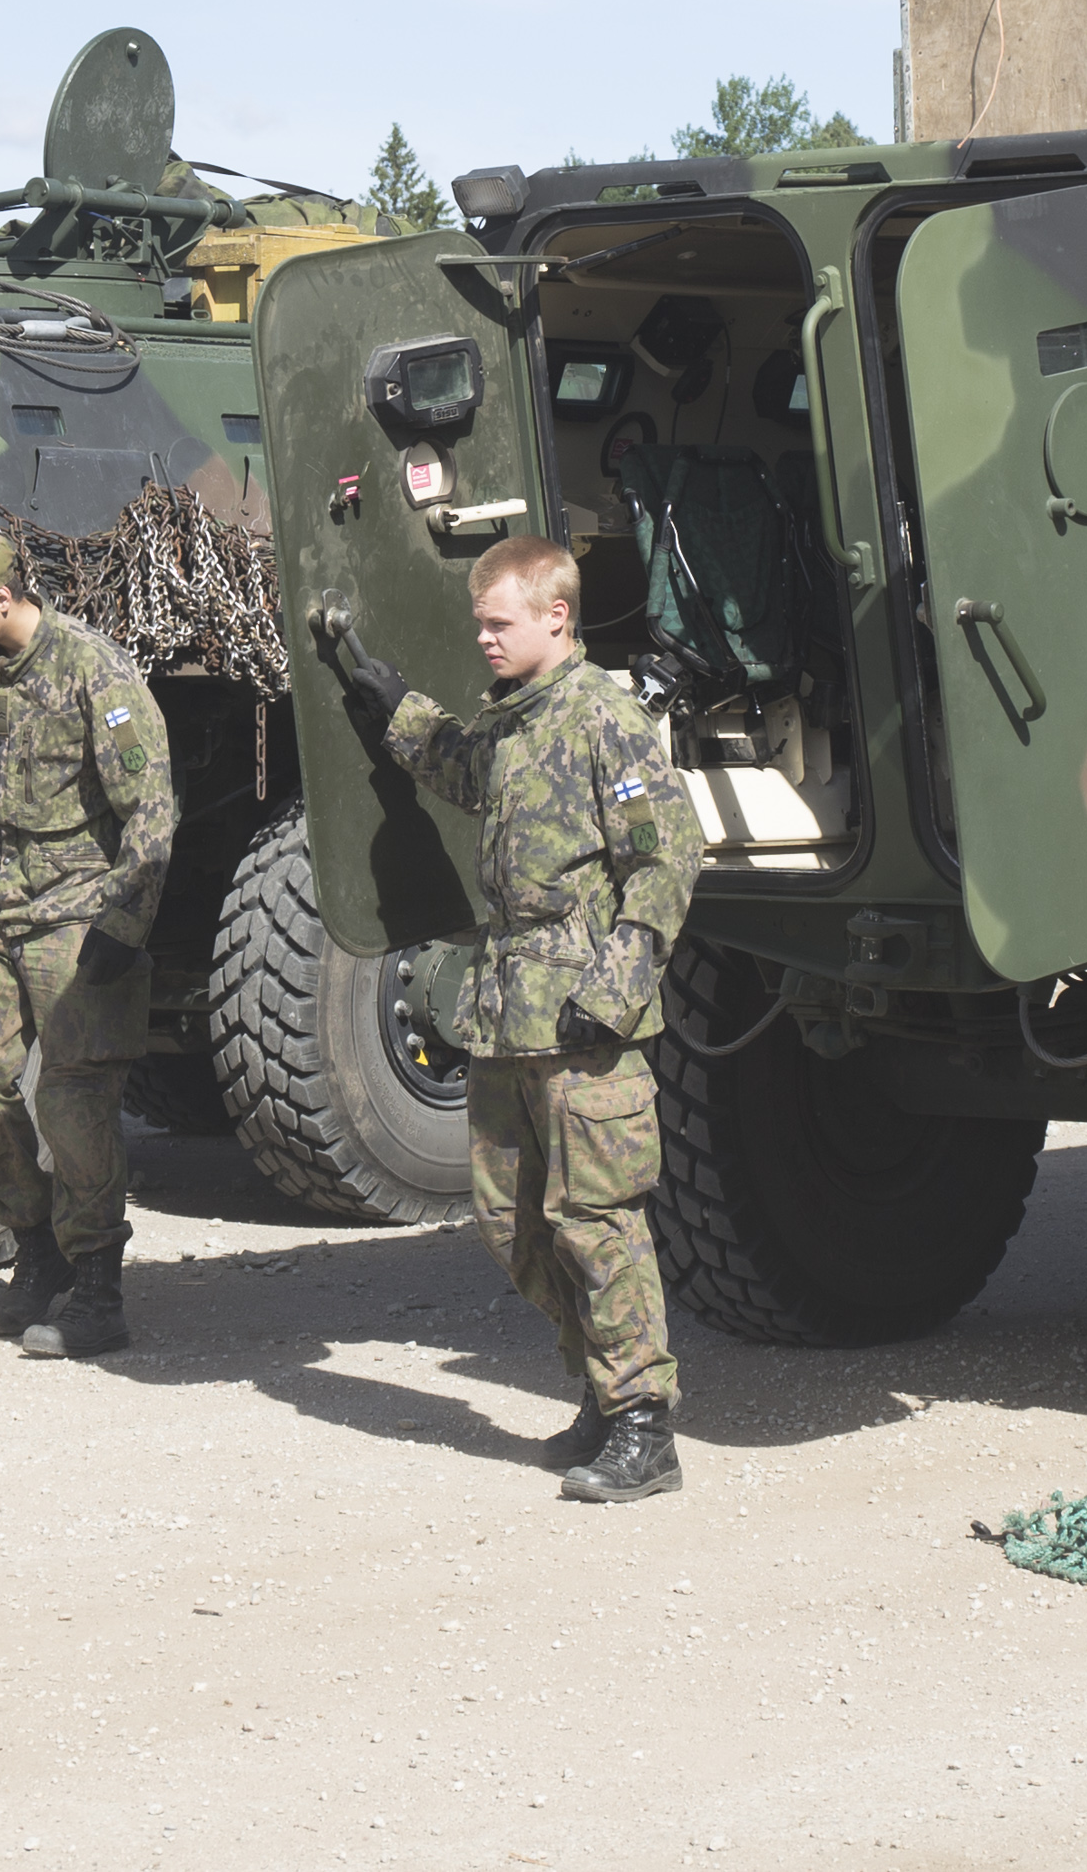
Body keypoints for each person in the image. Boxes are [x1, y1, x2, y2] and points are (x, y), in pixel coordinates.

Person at [308, 538, 705, 1505]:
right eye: (479, 621)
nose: (482, 637)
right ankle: (602, 1395)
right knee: (511, 1216)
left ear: (556, 617)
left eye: (499, 622)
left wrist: (613, 986)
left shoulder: (600, 716)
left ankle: (643, 1423)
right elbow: (459, 766)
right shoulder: (515, 720)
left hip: (581, 1020)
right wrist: (385, 702)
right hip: (507, 1014)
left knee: (596, 1218)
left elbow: (669, 852)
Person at [0, 530, 174, 1358]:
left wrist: (122, 923)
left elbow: (152, 809)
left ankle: (97, 1287)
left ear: (4, 597)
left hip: (75, 909)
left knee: (71, 1100)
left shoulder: (94, 671)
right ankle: (38, 1250)